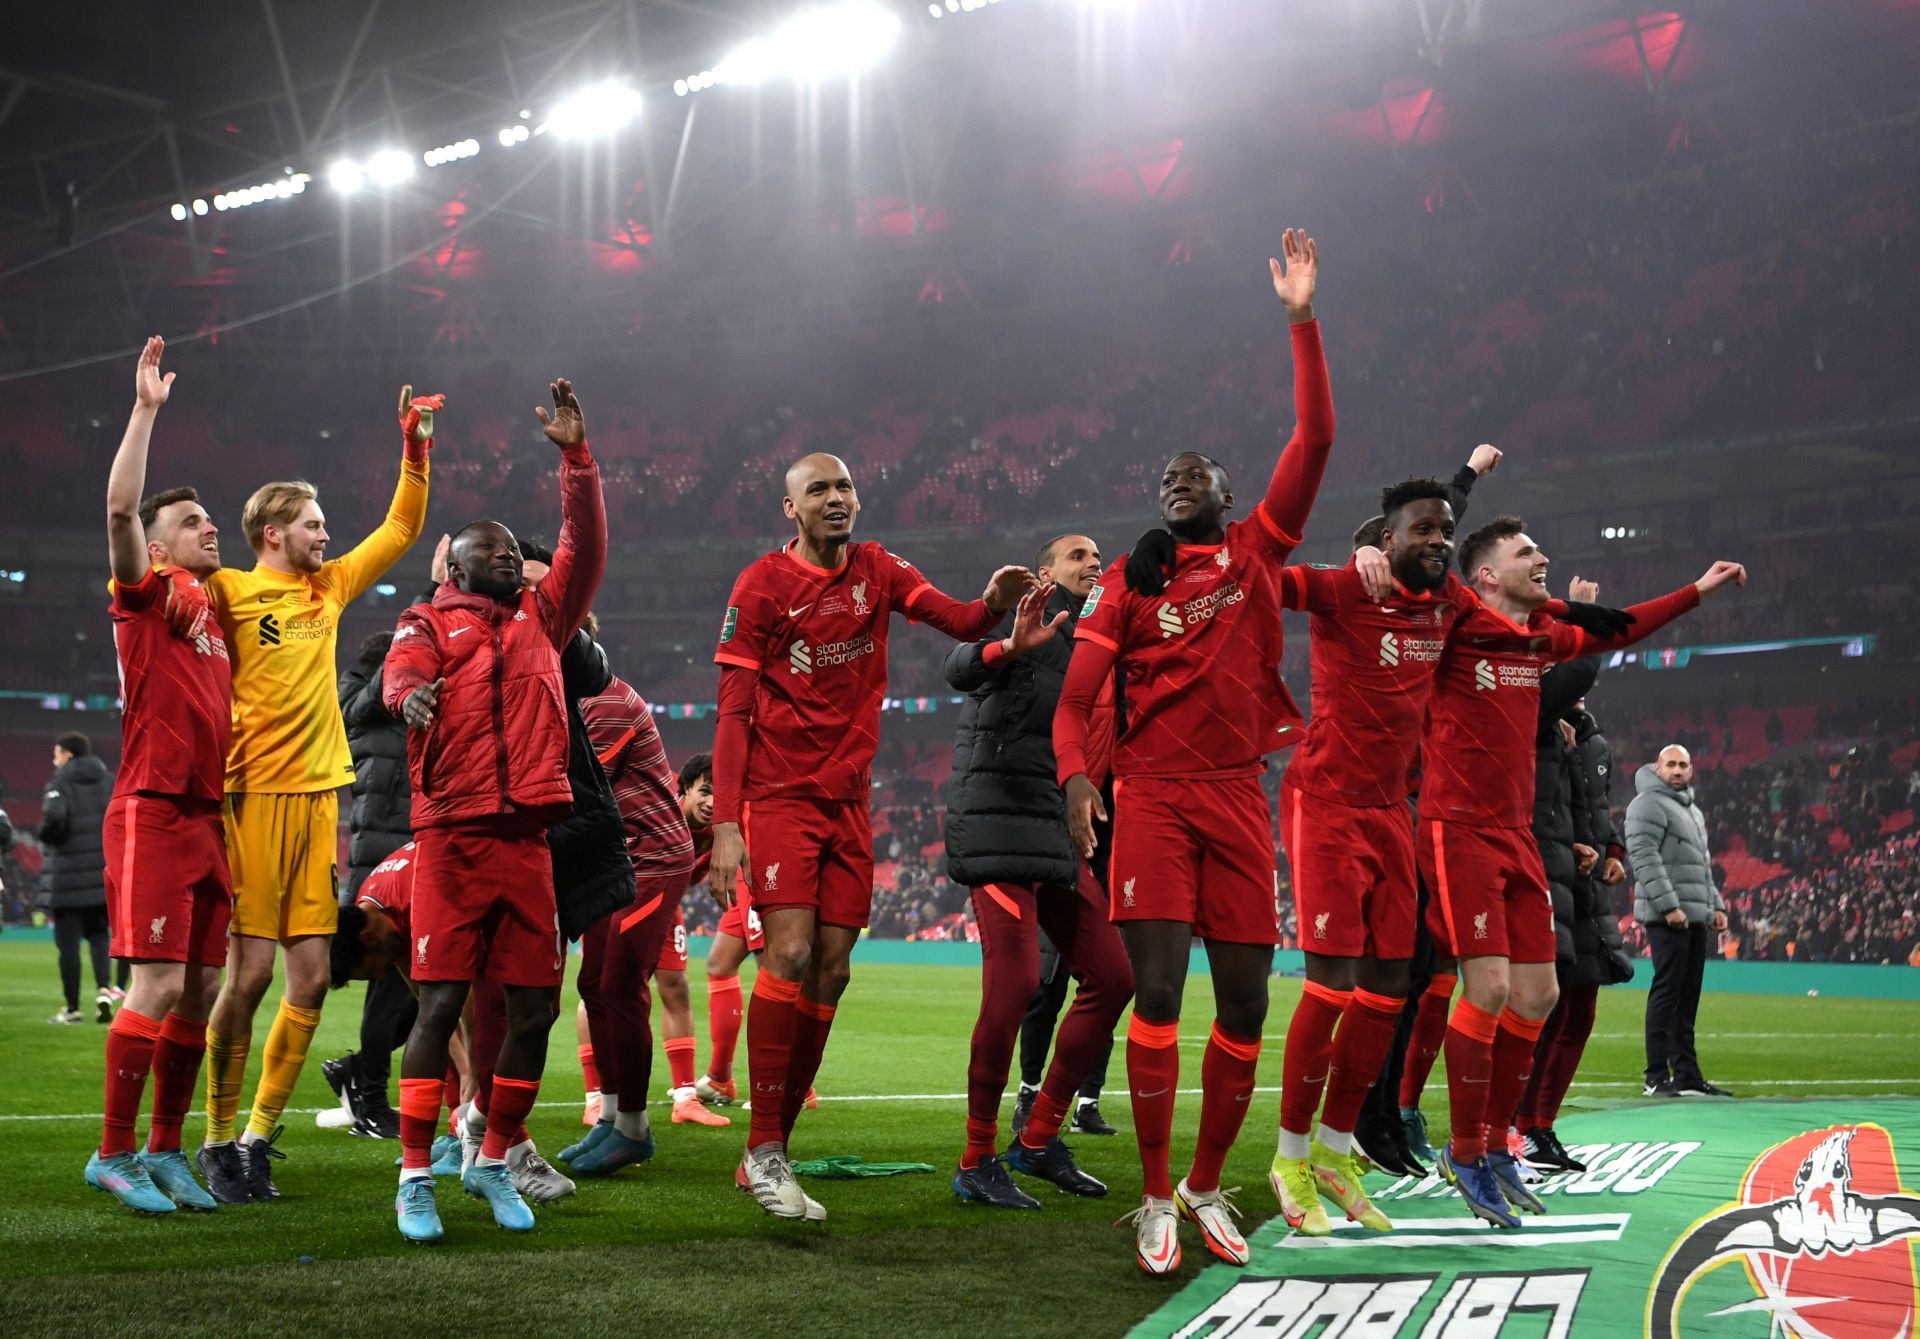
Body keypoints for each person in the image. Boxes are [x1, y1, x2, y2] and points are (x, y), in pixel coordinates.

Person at [1056, 228, 1332, 1277]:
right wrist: (1082, 779)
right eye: (1167, 476)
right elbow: (1077, 697)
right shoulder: (1128, 584)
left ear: (1224, 488)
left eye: (1196, 471)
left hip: (1236, 796)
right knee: (1162, 994)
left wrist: (1301, 319)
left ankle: (1212, 1181)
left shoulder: (1259, 549)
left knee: (1251, 1000)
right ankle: (1158, 1194)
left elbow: (1313, 440)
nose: (1179, 480)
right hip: (1157, 798)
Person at [708, 450, 1033, 1222]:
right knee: (786, 951)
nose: (835, 498)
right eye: (817, 488)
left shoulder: (878, 569)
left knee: (833, 971)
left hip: (851, 802)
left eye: (844, 486)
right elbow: (731, 713)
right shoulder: (759, 586)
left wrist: (988, 601)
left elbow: (953, 618)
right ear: (789, 508)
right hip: (779, 794)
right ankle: (764, 1148)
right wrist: (726, 821)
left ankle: (770, 1146)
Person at [1421, 515, 1745, 1229]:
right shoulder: (1455, 621)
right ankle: (1465, 1148)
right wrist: (1463, 483)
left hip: (1517, 834)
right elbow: (1427, 552)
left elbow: (1619, 629)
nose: (1541, 558)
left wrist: (1697, 590)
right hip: (1458, 828)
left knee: (1537, 995)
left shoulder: (1539, 639)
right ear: (1484, 575)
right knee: (1493, 985)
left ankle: (1499, 1142)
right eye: (1524, 552)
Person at [197, 385, 437, 1204]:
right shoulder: (227, 592)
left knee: (307, 982)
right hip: (252, 797)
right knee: (251, 976)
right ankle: (216, 1136)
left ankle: (258, 1137)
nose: (325, 532)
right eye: (311, 521)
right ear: (273, 532)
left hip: (320, 801)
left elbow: (400, 528)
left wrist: (414, 447)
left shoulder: (327, 588)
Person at [380, 377, 605, 1243]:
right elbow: (399, 672)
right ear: (455, 564)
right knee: (437, 1011)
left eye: (515, 550)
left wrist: (576, 462)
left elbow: (583, 554)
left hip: (527, 842)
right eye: (491, 550)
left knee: (533, 1012)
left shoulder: (544, 622)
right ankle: (413, 1176)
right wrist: (410, 701)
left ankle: (492, 1156)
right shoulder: (428, 620)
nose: (509, 557)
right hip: (451, 841)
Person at [1261, 452, 1504, 1236]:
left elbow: (1509, 619)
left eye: (1445, 530)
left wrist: (1459, 483)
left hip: (1391, 811)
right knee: (1330, 986)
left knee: (1389, 985)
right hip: (1325, 802)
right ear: (1385, 539)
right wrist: (1349, 553)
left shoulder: (1451, 603)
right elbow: (1268, 580)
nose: (1438, 538)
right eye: (1420, 530)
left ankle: (1335, 1146)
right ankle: (1289, 1153)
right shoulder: (1347, 587)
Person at [942, 534, 1133, 1210]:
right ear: (1046, 573)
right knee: (1018, 980)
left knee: (1113, 977)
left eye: (1097, 555)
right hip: (996, 820)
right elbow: (957, 667)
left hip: (1055, 829)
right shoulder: (1027, 625)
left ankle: (1040, 1135)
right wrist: (1008, 644)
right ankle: (976, 1157)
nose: (1093, 561)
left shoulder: (1105, 647)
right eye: (1076, 554)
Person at [88, 336, 231, 1215]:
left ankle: (168, 1149)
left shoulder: (213, 609)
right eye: (192, 520)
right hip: (151, 809)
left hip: (208, 818)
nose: (208, 524)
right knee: (162, 984)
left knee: (204, 988)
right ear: (161, 545)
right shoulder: (150, 596)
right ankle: (112, 1154)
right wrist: (145, 410)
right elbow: (117, 511)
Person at [564, 667, 699, 1174]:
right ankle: (612, 1117)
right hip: (614, 858)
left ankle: (635, 1129)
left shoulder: (606, 702)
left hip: (653, 859)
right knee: (594, 983)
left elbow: (573, 786)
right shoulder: (575, 701)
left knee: (620, 984)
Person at [317, 623, 422, 1139]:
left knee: (410, 996)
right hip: (386, 861)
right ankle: (370, 1098)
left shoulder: (378, 715)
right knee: (393, 993)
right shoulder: (369, 710)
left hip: (388, 855)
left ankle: (356, 1073)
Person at [1520, 692, 1632, 1171]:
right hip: (1548, 873)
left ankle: (1540, 1124)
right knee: (1544, 1003)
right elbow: (1537, 806)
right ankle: (1518, 1126)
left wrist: (1611, 849)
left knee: (1581, 1003)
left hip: (1584, 886)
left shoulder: (1594, 741)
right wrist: (1569, 847)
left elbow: (1598, 806)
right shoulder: (1533, 726)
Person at [1630, 744, 1732, 1099]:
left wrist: (1716, 905)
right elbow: (1643, 858)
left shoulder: (1692, 811)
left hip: (1694, 916)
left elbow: (1701, 868)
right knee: (1667, 993)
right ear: (1657, 767)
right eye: (1670, 764)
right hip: (1668, 917)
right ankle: (1655, 1075)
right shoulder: (1646, 804)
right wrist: (1669, 906)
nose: (1676, 770)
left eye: (1683, 765)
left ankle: (1686, 1074)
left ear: (1691, 770)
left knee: (1686, 997)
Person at [41, 732, 119, 1024]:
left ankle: (72, 1008)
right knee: (100, 937)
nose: (54, 760)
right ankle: (103, 990)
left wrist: (47, 837)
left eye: (56, 754)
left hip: (68, 877)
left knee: (68, 945)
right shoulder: (109, 781)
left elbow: (54, 819)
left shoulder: (60, 783)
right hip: (102, 873)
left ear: (68, 754)